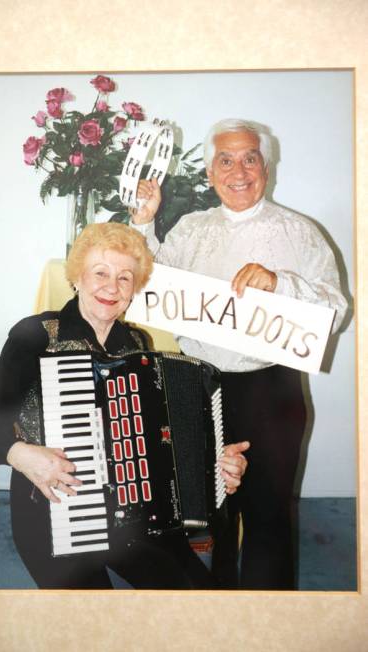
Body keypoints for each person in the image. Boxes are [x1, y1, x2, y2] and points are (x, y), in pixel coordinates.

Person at [0, 221, 249, 590]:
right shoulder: (35, 336)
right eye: (100, 273)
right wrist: (22, 455)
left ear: (134, 290)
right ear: (77, 276)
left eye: (125, 278)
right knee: (91, 619)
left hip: (136, 517)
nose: (112, 287)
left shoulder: (137, 345)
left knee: (198, 599)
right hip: (54, 510)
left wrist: (215, 465)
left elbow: (166, 446)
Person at [130, 119, 348, 590]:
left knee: (268, 511)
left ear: (265, 167)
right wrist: (144, 222)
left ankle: (270, 618)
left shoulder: (300, 231)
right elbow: (149, 281)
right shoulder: (190, 229)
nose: (238, 170)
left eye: (250, 157)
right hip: (200, 385)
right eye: (225, 160)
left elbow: (338, 308)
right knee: (209, 510)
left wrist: (281, 284)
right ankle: (221, 612)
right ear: (210, 172)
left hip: (271, 387)